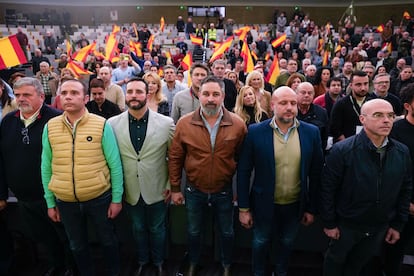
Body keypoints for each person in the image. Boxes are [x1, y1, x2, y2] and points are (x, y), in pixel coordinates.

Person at [237, 86, 323, 276]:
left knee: (287, 242)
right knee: (260, 242)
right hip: (263, 203)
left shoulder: (311, 132)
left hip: (295, 205)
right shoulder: (255, 132)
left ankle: (281, 272)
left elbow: (316, 174)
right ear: (273, 105)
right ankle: (258, 272)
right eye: (283, 103)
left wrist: (312, 208)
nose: (289, 107)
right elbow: (244, 171)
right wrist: (243, 208)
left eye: (293, 103)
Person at [41, 78, 124, 276]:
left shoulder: (101, 125)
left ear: (86, 98)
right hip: (66, 200)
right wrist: (50, 202)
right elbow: (46, 166)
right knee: (77, 245)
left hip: (99, 197)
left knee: (108, 241)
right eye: (64, 93)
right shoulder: (50, 127)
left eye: (74, 93)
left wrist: (117, 199)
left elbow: (115, 164)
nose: (68, 96)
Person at [320, 99, 412, 276]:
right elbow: (327, 189)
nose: (386, 120)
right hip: (346, 225)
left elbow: (405, 188)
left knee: (357, 265)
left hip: (379, 226)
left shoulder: (401, 152)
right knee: (334, 263)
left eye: (391, 115)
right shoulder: (342, 150)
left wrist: (398, 224)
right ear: (362, 119)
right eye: (378, 115)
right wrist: (330, 223)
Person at [169, 76, 247, 276]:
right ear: (198, 94)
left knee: (227, 232)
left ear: (223, 96)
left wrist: (238, 191)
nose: (210, 99)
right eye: (206, 94)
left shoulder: (238, 125)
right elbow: (176, 157)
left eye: (215, 94)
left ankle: (226, 265)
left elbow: (242, 162)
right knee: (194, 232)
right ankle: (194, 263)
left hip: (224, 191)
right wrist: (176, 188)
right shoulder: (184, 124)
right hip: (194, 190)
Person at [0, 77, 72, 275]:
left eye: (27, 95)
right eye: (18, 95)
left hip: (54, 195)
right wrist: (2, 193)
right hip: (24, 198)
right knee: (43, 236)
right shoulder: (8, 121)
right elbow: (1, 159)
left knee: (65, 236)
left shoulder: (58, 120)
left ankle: (71, 268)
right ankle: (57, 265)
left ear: (41, 96)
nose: (21, 99)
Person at [108, 77, 175, 276]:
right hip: (130, 188)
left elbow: (174, 156)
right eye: (130, 92)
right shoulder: (112, 124)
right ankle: (143, 260)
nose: (134, 95)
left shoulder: (166, 123)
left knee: (157, 228)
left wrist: (172, 184)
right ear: (125, 95)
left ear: (147, 94)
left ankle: (159, 261)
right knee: (137, 228)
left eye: (139, 91)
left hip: (158, 187)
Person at [383, 83, 414, 275]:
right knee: (394, 255)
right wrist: (407, 205)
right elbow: (387, 172)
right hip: (402, 208)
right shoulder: (394, 131)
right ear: (407, 106)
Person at [329, 71, 372, 143]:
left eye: (365, 84)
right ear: (351, 85)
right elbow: (335, 128)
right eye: (358, 85)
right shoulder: (341, 104)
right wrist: (347, 144)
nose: (363, 88)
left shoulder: (374, 102)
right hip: (348, 145)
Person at [296, 82, 329, 150]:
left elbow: (325, 136)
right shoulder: (290, 112)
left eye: (309, 93)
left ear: (313, 95)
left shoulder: (322, 112)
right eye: (303, 92)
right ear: (296, 94)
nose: (306, 95)